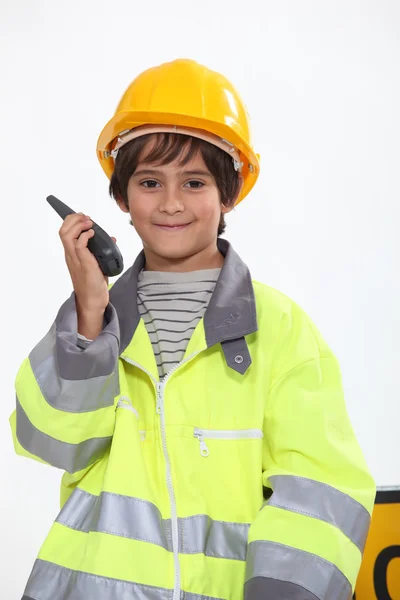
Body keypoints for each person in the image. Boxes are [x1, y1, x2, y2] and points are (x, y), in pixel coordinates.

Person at [10, 58, 375, 600]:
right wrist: (89, 315)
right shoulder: (96, 324)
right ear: (121, 200)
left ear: (229, 195)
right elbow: (52, 443)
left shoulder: (280, 329)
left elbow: (321, 491)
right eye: (150, 182)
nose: (172, 202)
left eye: (196, 181)